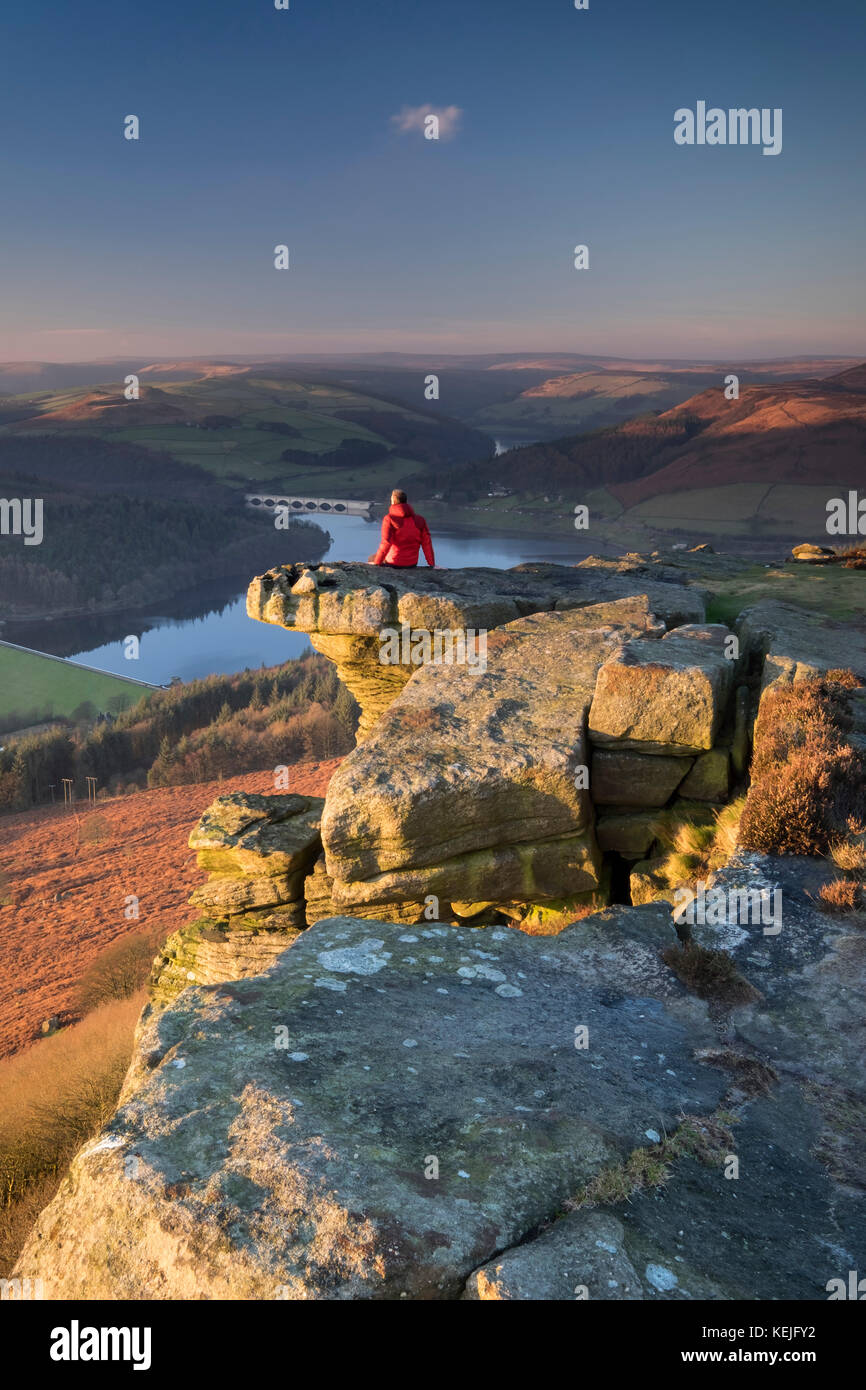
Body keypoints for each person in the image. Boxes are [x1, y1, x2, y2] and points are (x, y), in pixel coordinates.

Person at [368, 489, 436, 568]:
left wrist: (377, 563)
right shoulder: (420, 520)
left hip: (393, 563)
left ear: (393, 501)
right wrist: (432, 565)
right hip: (412, 564)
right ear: (405, 501)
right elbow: (426, 543)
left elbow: (386, 542)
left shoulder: (389, 519)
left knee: (371, 558)